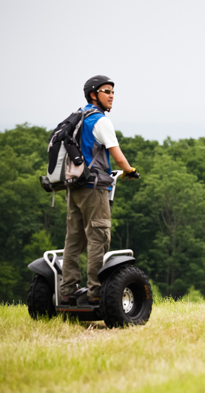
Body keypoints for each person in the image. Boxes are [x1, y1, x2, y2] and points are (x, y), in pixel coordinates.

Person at [60, 75, 139, 305]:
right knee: (99, 237)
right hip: (94, 189)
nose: (111, 95)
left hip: (74, 186)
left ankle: (67, 290)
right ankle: (95, 292)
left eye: (113, 91)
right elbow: (117, 154)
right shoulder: (100, 121)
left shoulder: (80, 117)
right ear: (94, 95)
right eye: (106, 91)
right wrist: (129, 170)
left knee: (73, 239)